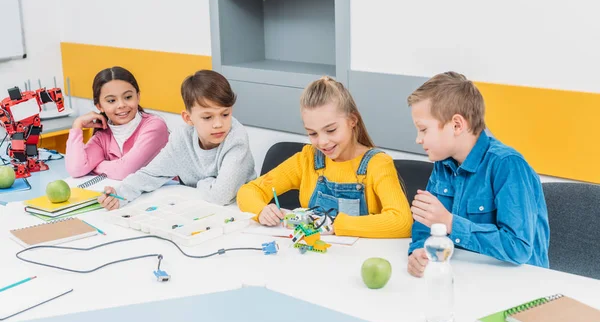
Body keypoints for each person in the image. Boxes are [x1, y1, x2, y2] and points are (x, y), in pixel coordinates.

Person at [406, 71, 549, 278]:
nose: (418, 139)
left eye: (423, 130)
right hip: (468, 277)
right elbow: (424, 226)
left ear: (456, 125)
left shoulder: (507, 165)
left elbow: (518, 248)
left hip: (521, 283)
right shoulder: (443, 163)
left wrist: (450, 223)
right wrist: (419, 251)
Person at [237, 76, 412, 238]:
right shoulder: (307, 160)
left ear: (352, 121)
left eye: (331, 130)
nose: (322, 142)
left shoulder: (378, 164)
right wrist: (261, 211)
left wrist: (334, 225)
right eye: (312, 133)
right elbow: (248, 191)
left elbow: (402, 222)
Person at [98, 70, 256, 208]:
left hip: (238, 211)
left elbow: (221, 196)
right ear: (188, 118)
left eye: (225, 114)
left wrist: (203, 182)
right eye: (207, 117)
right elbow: (151, 174)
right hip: (200, 208)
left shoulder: (236, 139)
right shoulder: (182, 139)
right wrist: (120, 193)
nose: (218, 124)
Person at [65, 66, 168, 180]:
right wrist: (77, 125)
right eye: (111, 101)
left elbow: (125, 171)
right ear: (99, 106)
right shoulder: (103, 136)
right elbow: (76, 169)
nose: (121, 105)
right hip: (129, 196)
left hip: (168, 194)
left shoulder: (154, 126)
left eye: (128, 97)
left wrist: (96, 166)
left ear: (138, 97)